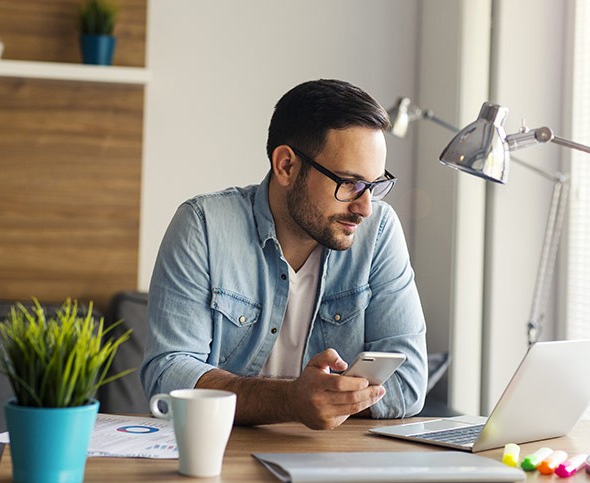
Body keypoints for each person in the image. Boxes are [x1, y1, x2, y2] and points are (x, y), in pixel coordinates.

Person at [141, 79, 427, 430]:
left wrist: (323, 402)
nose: (365, 207)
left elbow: (409, 382)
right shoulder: (203, 226)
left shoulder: (379, 232)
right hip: (220, 455)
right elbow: (167, 375)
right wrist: (291, 401)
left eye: (375, 185)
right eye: (349, 183)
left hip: (334, 459)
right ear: (286, 166)